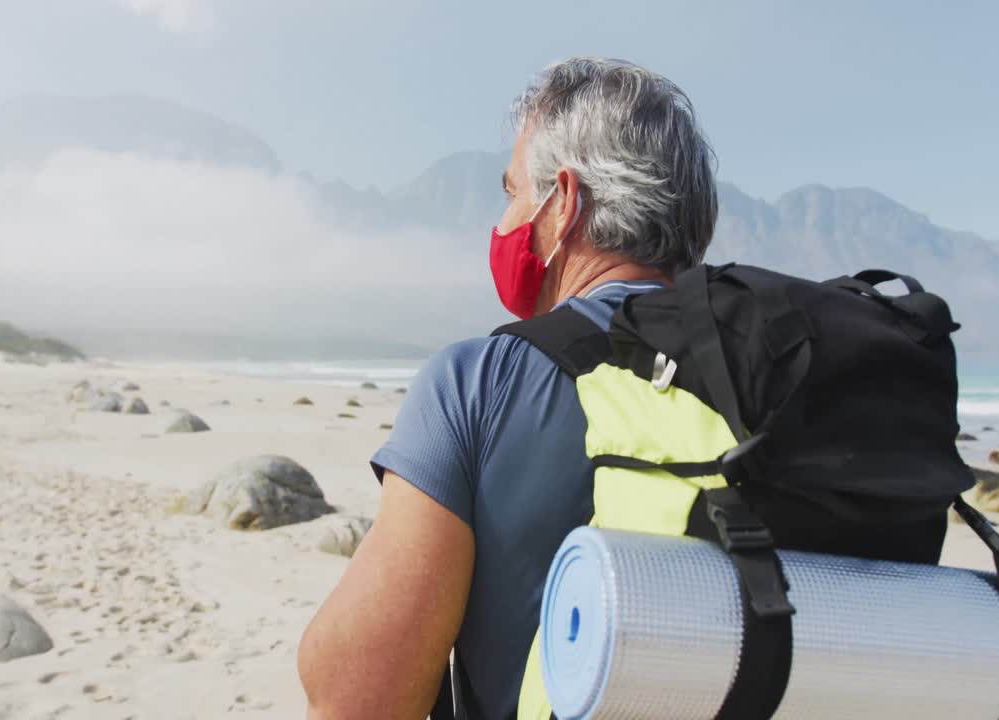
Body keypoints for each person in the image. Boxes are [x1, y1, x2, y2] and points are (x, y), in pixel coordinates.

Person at [297, 56, 719, 720]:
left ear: (564, 203)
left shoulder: (477, 384)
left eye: (513, 192)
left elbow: (358, 697)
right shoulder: (787, 371)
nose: (506, 220)